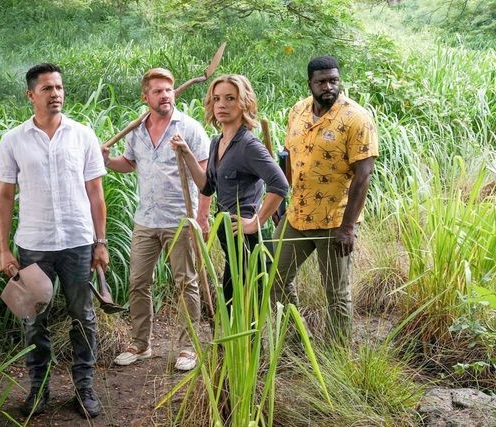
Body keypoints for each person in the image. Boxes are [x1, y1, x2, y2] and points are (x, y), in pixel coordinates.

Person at [0, 63, 107, 419]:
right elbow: (4, 197)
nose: (55, 94)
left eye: (59, 87)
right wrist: (5, 249)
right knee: (33, 320)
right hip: (34, 245)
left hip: (77, 242)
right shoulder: (14, 140)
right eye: (47, 89)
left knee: (83, 316)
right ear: (31, 95)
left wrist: (100, 242)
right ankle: (38, 390)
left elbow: (95, 192)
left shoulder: (82, 135)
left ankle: (84, 389)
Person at [101, 68, 210, 371]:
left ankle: (188, 348)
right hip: (146, 219)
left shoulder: (189, 128)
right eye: (158, 91)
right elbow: (129, 163)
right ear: (145, 96)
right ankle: (141, 344)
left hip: (180, 219)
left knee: (186, 283)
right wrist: (107, 160)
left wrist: (202, 217)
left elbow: (206, 178)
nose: (165, 95)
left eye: (168, 90)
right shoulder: (136, 129)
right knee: (138, 282)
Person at [273, 55, 378, 341]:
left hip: (335, 220)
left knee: (336, 292)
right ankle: (296, 341)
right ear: (310, 83)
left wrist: (348, 227)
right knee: (275, 277)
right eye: (321, 82)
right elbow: (288, 157)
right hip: (298, 215)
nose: (328, 87)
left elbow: (364, 174)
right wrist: (281, 200)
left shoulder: (356, 118)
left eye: (333, 80)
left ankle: (337, 353)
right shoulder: (298, 111)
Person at [170, 74, 289, 307]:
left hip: (248, 240)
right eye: (216, 99)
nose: (221, 105)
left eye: (230, 98)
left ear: (244, 103)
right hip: (228, 236)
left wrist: (256, 222)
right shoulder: (217, 142)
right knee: (232, 301)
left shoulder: (249, 146)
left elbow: (280, 184)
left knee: (242, 305)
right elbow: (207, 186)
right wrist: (187, 154)